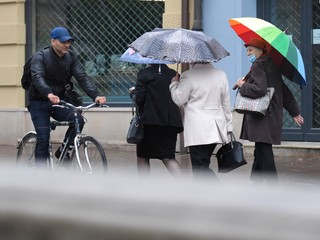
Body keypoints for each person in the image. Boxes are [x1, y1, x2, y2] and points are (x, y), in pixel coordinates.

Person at [28, 26, 106, 167]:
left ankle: (63, 151)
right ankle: (39, 177)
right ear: (53, 41)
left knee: (78, 120)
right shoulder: (40, 57)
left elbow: (82, 78)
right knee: (44, 139)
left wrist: (95, 96)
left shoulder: (70, 57)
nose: (67, 45)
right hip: (39, 101)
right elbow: (37, 77)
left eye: (69, 42)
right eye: (63, 42)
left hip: (59, 101)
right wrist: (48, 93)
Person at [234, 38, 304, 183]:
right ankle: (256, 182)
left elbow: (258, 90)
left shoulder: (258, 65)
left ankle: (273, 186)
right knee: (260, 150)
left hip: (261, 116)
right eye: (247, 50)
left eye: (250, 50)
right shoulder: (271, 65)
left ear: (259, 50)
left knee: (264, 152)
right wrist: (295, 112)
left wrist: (243, 85)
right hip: (270, 115)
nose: (248, 53)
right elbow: (283, 90)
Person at [170, 62, 233, 180]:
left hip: (198, 129)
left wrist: (174, 84)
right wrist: (228, 127)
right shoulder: (221, 75)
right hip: (216, 128)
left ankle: (216, 191)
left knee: (199, 167)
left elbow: (179, 99)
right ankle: (206, 194)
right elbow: (225, 103)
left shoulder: (188, 75)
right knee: (203, 164)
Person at [132, 64, 183, 178]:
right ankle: (182, 183)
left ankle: (144, 185)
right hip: (171, 123)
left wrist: (134, 94)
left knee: (143, 156)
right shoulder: (174, 74)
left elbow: (140, 99)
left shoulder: (144, 74)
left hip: (150, 123)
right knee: (168, 157)